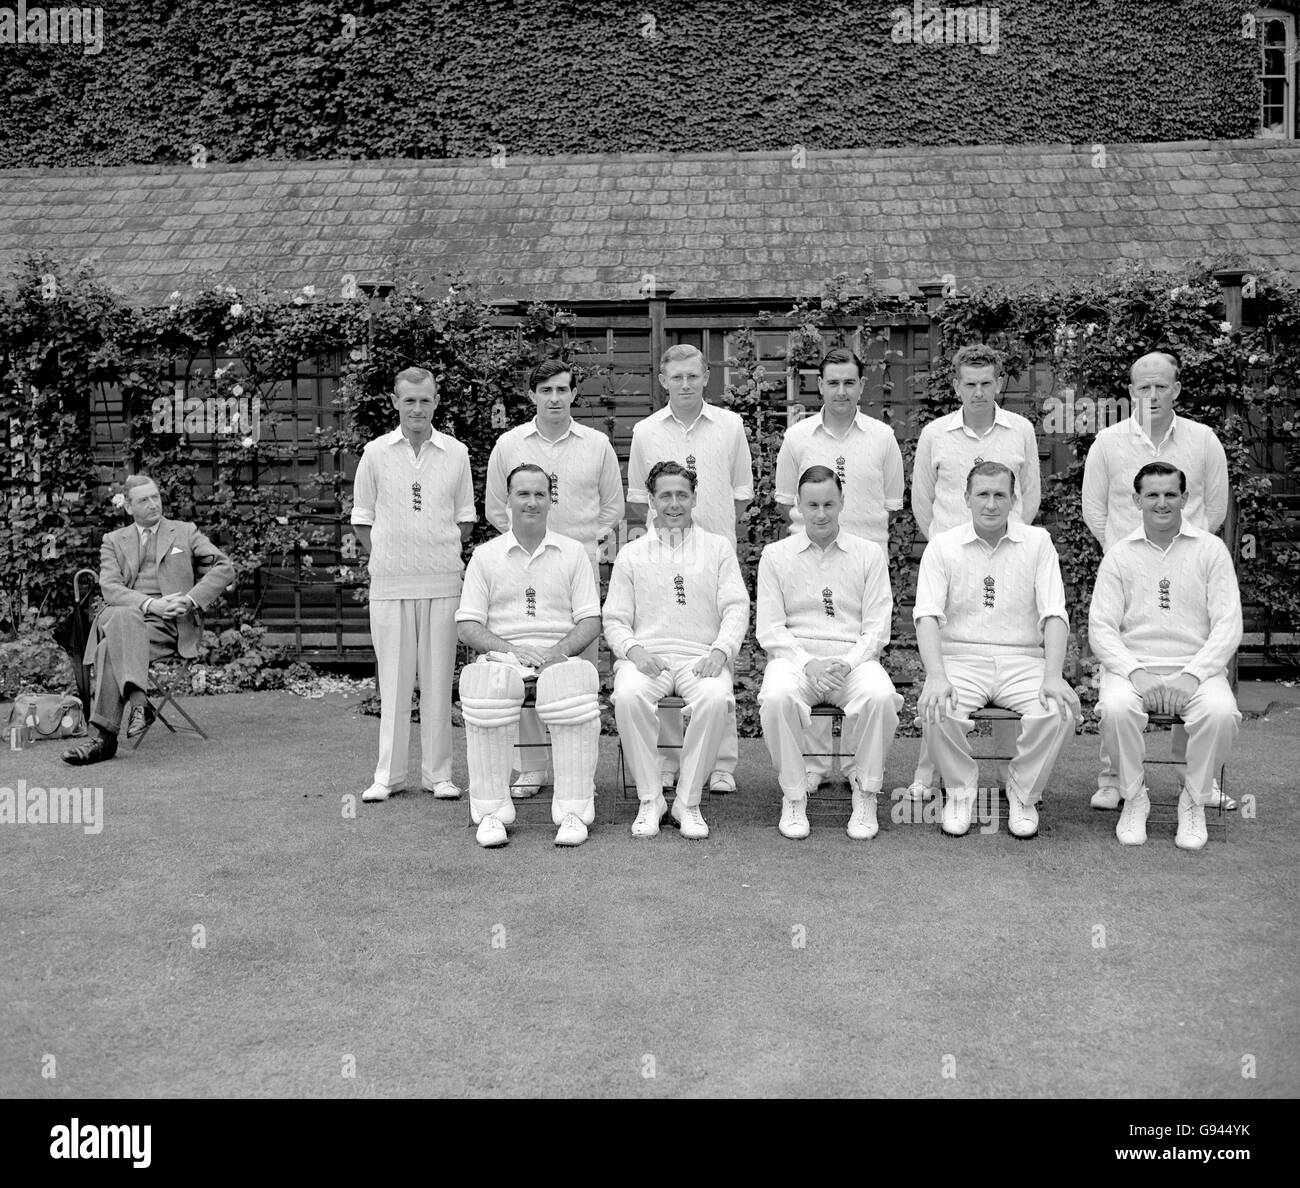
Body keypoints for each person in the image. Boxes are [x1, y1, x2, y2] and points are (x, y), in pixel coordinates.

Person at [1081, 350, 1232, 812]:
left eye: (1161, 386)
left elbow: (1216, 508)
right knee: (1120, 669)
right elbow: (1096, 509)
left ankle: (1197, 782)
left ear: (1177, 389)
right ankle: (1115, 779)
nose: (1152, 394)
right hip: (1128, 572)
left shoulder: (1204, 439)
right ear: (1130, 391)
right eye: (1143, 387)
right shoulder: (1107, 442)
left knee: (1195, 665)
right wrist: (1124, 557)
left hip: (1189, 570)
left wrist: (1189, 554)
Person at [914, 462, 1080, 838]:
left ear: (1014, 499)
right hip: (961, 659)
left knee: (1059, 711)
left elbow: (1055, 613)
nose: (991, 504)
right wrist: (936, 676)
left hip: (1022, 660)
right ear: (967, 498)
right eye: (983, 494)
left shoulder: (1038, 543)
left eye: (1000, 494)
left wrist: (1053, 676)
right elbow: (926, 615)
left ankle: (1023, 794)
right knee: (937, 706)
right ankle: (959, 794)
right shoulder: (943, 545)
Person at [908, 343, 1042, 803]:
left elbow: (1029, 496)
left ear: (1000, 383)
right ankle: (929, 772)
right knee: (941, 668)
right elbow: (921, 502)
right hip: (952, 563)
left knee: (1008, 663)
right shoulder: (935, 434)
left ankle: (1014, 776)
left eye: (987, 383)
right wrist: (949, 548)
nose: (979, 392)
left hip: (1009, 561)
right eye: (970, 384)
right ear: (956, 385)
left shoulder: (1020, 430)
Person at [1088, 462, 1242, 850]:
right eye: (1152, 495)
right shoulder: (1120, 555)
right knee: (1116, 708)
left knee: (1222, 713)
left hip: (1197, 669)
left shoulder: (1211, 550)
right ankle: (1134, 796)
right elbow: (1101, 629)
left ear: (1185, 499)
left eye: (1170, 494)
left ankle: (1194, 799)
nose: (1162, 502)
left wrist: (1192, 675)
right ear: (1137, 500)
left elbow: (1228, 624)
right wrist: (1135, 672)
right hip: (1133, 669)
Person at [773, 346, 904, 794]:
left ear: (862, 385)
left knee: (859, 663)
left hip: (862, 564)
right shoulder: (797, 438)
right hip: (808, 558)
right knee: (808, 648)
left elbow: (891, 504)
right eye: (833, 381)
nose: (841, 390)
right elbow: (787, 503)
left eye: (850, 381)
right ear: (819, 385)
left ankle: (852, 765)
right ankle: (811, 766)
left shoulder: (883, 438)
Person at [626, 344, 753, 794]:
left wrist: (709, 539)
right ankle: (666, 762)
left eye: (693, 376)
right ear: (663, 380)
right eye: (676, 377)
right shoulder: (644, 431)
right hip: (662, 558)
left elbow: (740, 494)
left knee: (718, 660)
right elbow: (640, 501)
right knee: (662, 657)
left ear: (706, 378)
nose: (685, 384)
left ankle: (721, 763)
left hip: (714, 556)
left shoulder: (731, 426)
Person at [456, 464, 602, 848]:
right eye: (523, 493)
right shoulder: (486, 557)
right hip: (504, 658)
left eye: (540, 493)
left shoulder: (573, 553)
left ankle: (574, 810)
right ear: (508, 500)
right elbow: (467, 625)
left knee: (572, 686)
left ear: (551, 500)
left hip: (561, 656)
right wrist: (510, 650)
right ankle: (490, 813)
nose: (532, 502)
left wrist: (558, 652)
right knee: (483, 684)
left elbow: (590, 620)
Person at [603, 461, 749, 840]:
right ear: (651, 500)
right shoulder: (631, 554)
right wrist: (634, 652)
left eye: (681, 495)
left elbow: (736, 606)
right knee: (629, 694)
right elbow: (615, 619)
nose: (673, 504)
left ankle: (688, 801)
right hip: (648, 656)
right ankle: (651, 799)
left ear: (694, 498)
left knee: (716, 698)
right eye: (665, 495)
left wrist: (721, 651)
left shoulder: (717, 548)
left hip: (701, 656)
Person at [350, 367, 476, 803]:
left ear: (436, 401)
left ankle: (438, 774)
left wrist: (432, 552)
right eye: (409, 400)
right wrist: (390, 556)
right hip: (390, 585)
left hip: (443, 582)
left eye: (425, 400)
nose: (417, 408)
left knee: (440, 682)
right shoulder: (375, 452)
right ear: (395, 401)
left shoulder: (456, 453)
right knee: (395, 683)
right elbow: (363, 520)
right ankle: (388, 775)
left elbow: (465, 517)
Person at [757, 466, 902, 840]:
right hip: (796, 661)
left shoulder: (869, 555)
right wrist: (809, 663)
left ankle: (867, 793)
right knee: (775, 697)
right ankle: (792, 795)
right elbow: (770, 628)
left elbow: (876, 626)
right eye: (813, 505)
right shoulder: (775, 556)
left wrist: (846, 663)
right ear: (798, 507)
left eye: (828, 504)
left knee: (881, 695)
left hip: (852, 661)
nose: (821, 513)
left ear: (841, 504)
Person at [63, 474, 234, 766]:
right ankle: (139, 704)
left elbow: (224, 567)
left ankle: (103, 740)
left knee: (109, 646)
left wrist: (190, 600)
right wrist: (151, 604)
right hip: (134, 617)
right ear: (129, 507)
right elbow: (111, 588)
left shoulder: (184, 531)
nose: (154, 504)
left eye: (156, 497)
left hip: (169, 627)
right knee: (123, 612)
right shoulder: (113, 541)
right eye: (144, 500)